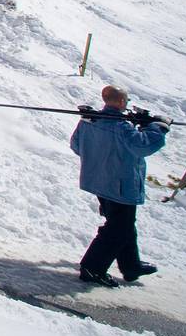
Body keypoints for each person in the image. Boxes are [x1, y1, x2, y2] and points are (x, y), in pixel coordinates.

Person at [71, 84, 169, 287]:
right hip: (120, 185)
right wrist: (157, 127)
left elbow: (76, 145)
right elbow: (144, 146)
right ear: (123, 103)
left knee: (122, 225)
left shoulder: (91, 121)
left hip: (100, 181)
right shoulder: (121, 128)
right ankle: (92, 268)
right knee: (118, 228)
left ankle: (131, 266)